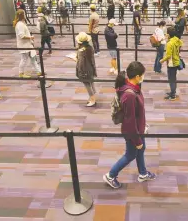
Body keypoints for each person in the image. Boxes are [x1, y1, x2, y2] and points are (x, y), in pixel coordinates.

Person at [104, 61, 157, 189]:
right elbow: (129, 121)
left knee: (141, 149)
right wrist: (137, 139)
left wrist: (142, 125)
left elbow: (136, 114)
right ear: (138, 76)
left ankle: (143, 173)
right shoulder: (130, 95)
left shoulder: (133, 88)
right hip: (132, 132)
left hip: (138, 129)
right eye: (143, 75)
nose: (144, 77)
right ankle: (111, 175)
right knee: (131, 154)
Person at [14, 9, 41, 78]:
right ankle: (21, 73)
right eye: (24, 14)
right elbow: (22, 36)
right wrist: (30, 37)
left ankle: (39, 71)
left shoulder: (21, 23)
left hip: (27, 45)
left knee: (32, 57)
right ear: (22, 15)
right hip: (24, 45)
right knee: (24, 59)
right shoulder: (20, 24)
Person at [75, 32, 98, 107]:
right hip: (90, 68)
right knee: (91, 82)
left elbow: (81, 63)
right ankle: (93, 96)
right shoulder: (90, 47)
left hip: (84, 70)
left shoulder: (81, 51)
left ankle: (92, 99)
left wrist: (77, 62)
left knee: (87, 84)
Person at [160, 26, 182, 101]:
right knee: (173, 78)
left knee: (171, 79)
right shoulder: (176, 39)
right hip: (176, 61)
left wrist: (162, 60)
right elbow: (181, 44)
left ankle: (173, 95)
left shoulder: (169, 44)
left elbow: (168, 56)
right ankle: (173, 92)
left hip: (171, 63)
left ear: (169, 34)